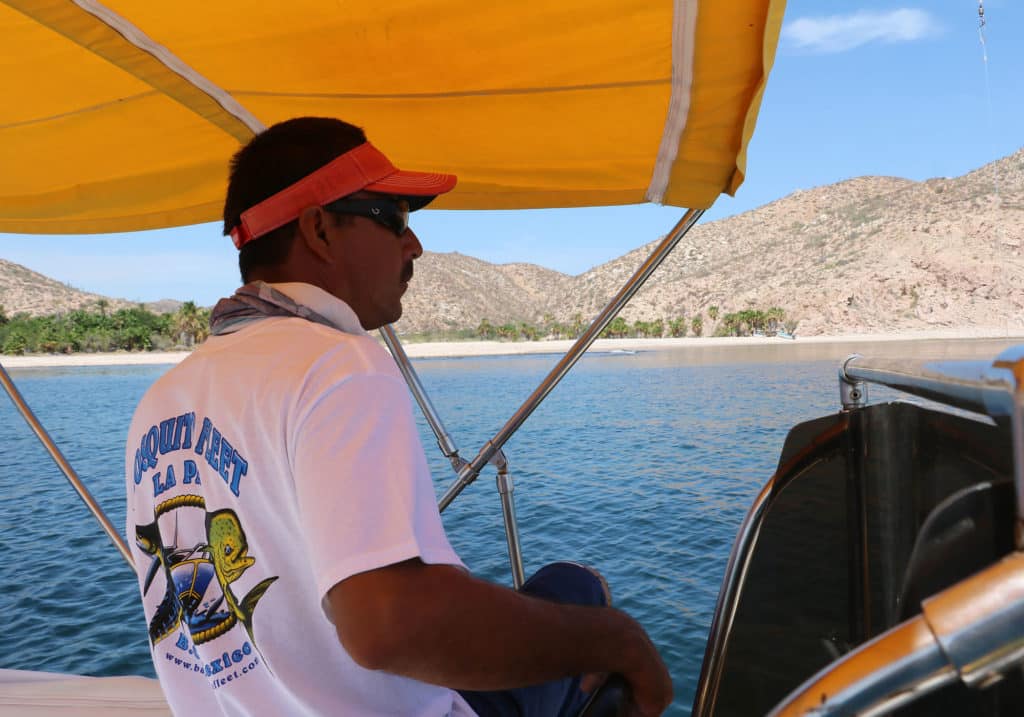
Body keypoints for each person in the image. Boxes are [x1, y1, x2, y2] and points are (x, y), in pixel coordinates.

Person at [125, 117, 671, 717]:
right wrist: (617, 639)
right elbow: (387, 626)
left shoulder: (161, 399)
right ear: (320, 229)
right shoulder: (338, 365)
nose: (414, 246)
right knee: (581, 593)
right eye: (396, 218)